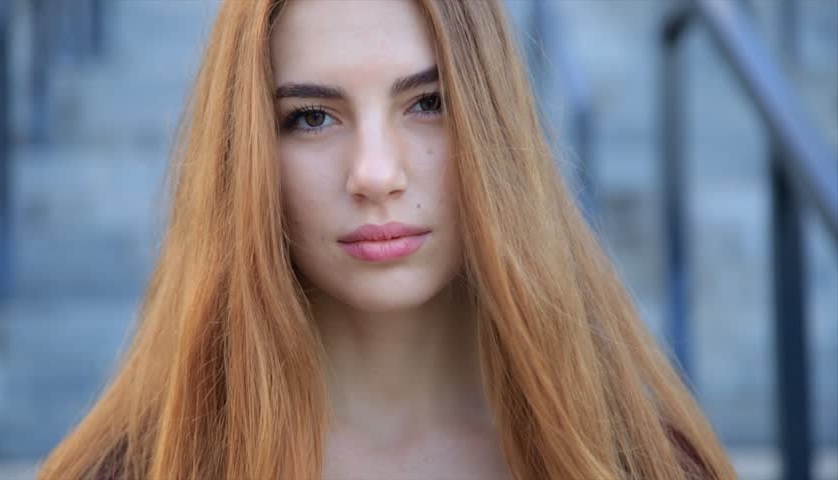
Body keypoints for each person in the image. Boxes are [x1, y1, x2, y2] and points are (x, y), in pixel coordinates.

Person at [38, 1, 737, 479]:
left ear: (495, 126)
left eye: (428, 104)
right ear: (247, 153)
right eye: (312, 117)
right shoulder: (137, 467)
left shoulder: (640, 462)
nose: (376, 173)